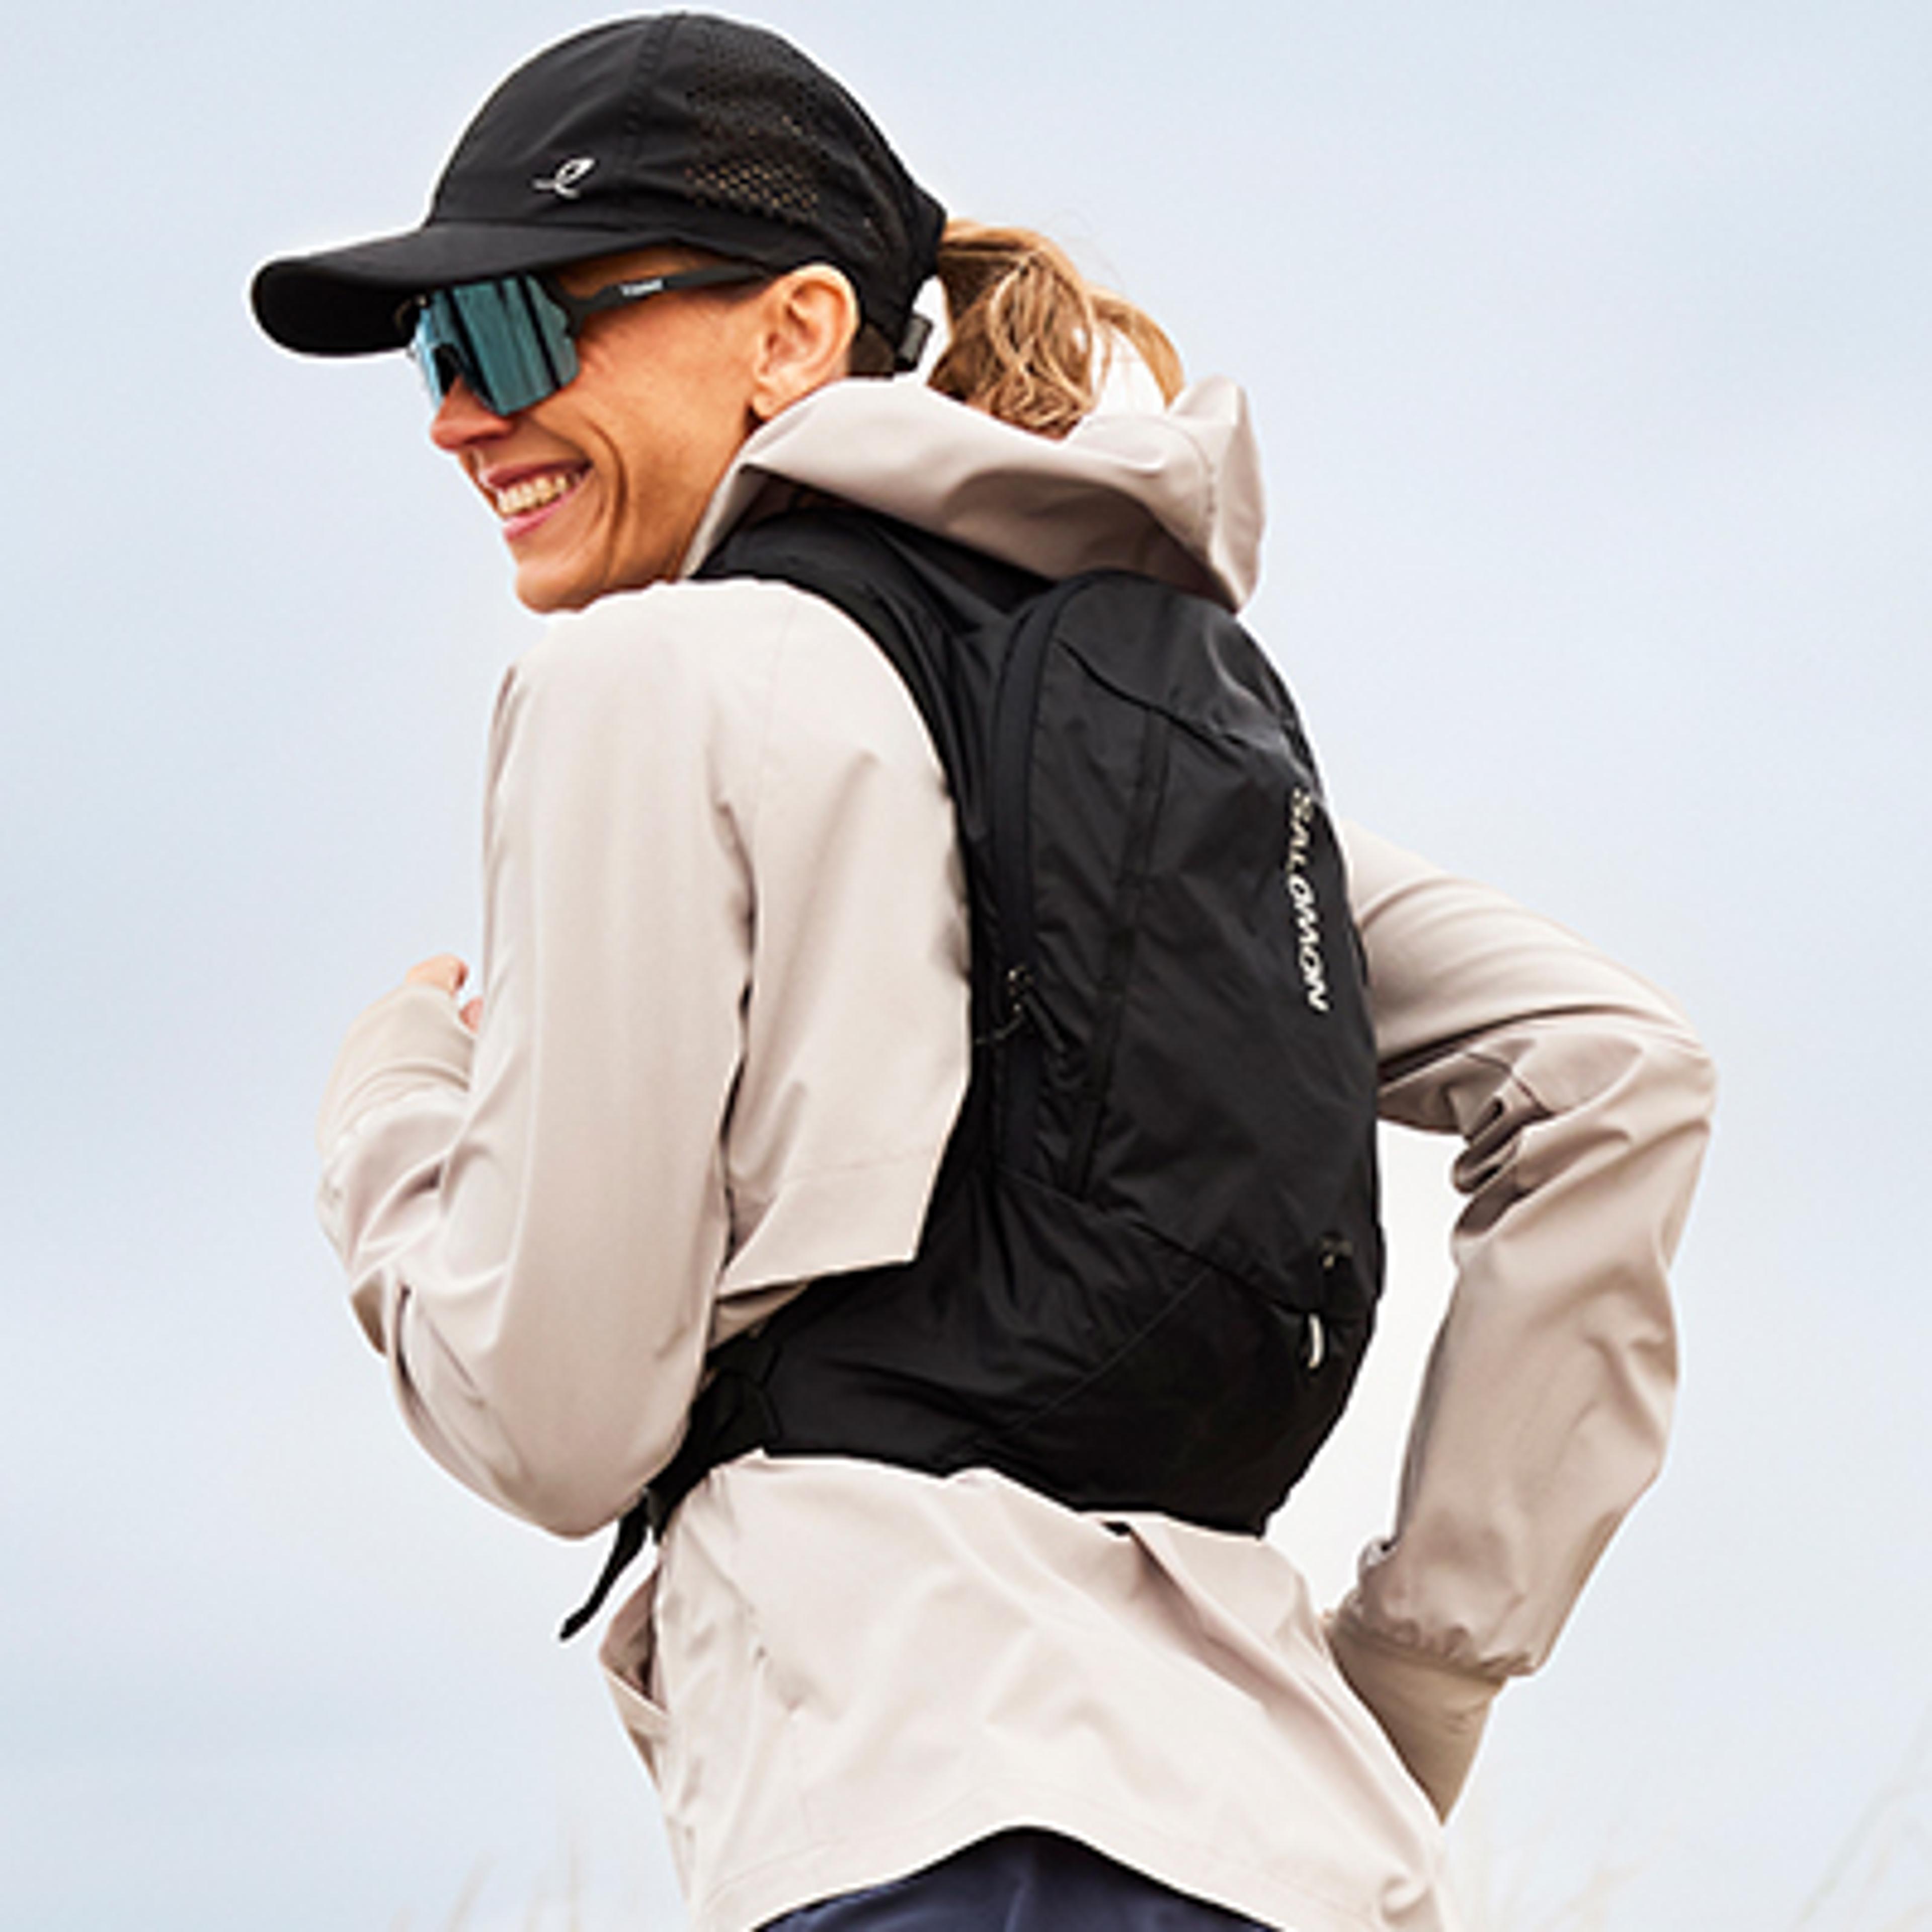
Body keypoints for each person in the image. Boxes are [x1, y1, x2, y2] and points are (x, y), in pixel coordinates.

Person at [252, 16, 1715, 1932]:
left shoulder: (643, 679)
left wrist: (392, 1108)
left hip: (912, 1821)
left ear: (792, 333)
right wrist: (1413, 1677)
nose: (458, 411)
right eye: (442, 357)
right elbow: (1619, 1069)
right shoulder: (1141, 733)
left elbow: (555, 1416)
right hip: (1292, 1849)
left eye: (520, 333)